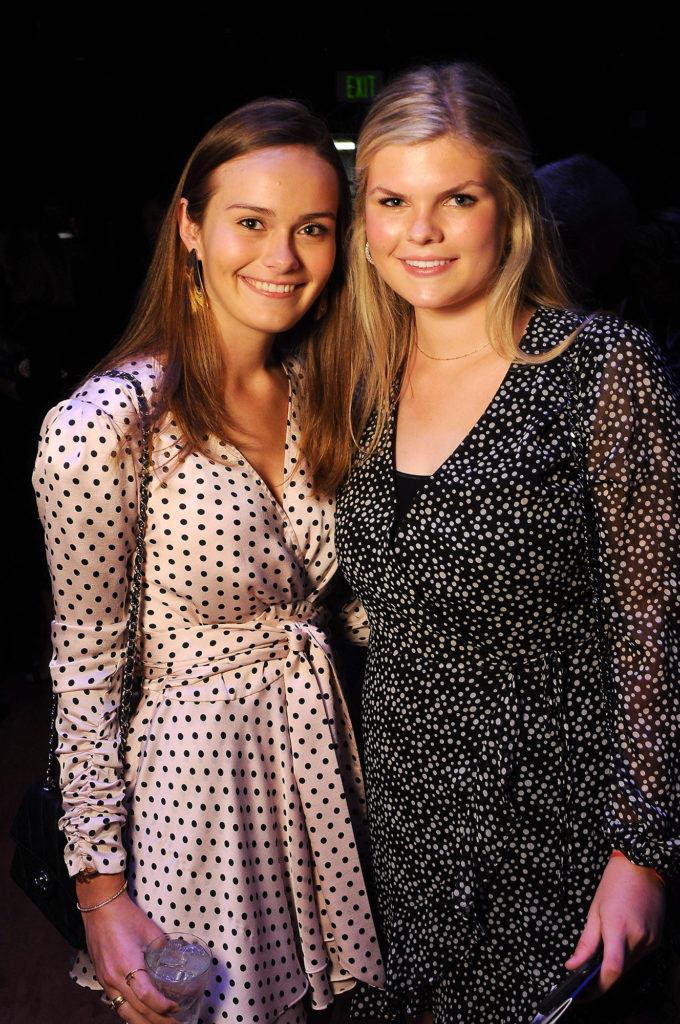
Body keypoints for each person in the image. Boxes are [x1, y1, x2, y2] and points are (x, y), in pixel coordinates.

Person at [310, 63, 680, 1023]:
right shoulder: (360, 379)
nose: (418, 232)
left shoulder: (600, 369)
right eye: (391, 201)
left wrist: (642, 854)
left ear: (509, 205)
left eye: (455, 198)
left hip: (552, 832)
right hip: (395, 831)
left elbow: (659, 625)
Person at [32, 99, 384, 1024]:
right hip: (197, 803)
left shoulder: (325, 391)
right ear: (189, 227)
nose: (283, 258)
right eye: (252, 223)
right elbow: (85, 669)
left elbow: (344, 606)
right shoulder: (105, 425)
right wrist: (101, 892)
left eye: (313, 228)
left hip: (325, 767)